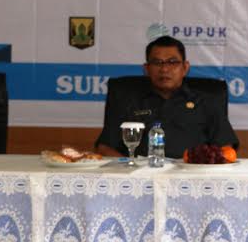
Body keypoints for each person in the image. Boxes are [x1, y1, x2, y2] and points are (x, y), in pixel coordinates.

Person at [95, 35, 238, 159]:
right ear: (146, 69)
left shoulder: (207, 101)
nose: (164, 69)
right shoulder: (127, 100)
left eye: (173, 62)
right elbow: (105, 147)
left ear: (185, 68)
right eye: (157, 63)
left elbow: (226, 147)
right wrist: (130, 168)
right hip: (141, 176)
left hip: (192, 175)